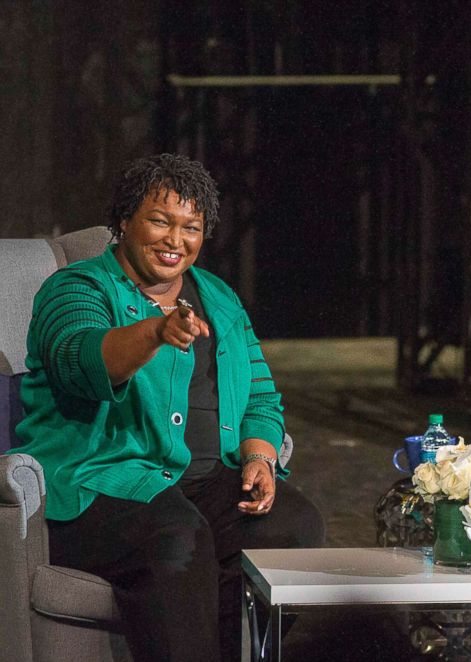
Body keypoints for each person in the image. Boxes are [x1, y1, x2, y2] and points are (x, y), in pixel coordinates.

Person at [12, 153, 325, 661]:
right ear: (123, 221)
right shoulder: (77, 288)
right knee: (177, 535)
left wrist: (259, 458)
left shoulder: (218, 297)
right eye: (160, 221)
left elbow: (261, 394)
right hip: (100, 485)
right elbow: (83, 361)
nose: (175, 240)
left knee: (294, 525)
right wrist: (155, 331)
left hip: (202, 484)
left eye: (191, 227)